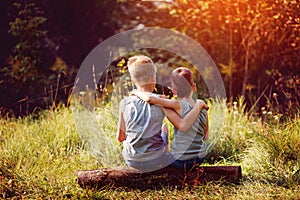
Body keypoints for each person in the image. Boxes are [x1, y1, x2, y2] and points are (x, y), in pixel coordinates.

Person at [117, 55, 208, 172]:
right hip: (156, 160)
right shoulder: (161, 101)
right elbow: (183, 125)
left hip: (132, 160)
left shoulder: (124, 103)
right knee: (164, 128)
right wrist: (198, 104)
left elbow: (121, 137)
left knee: (160, 130)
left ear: (133, 80)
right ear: (153, 77)